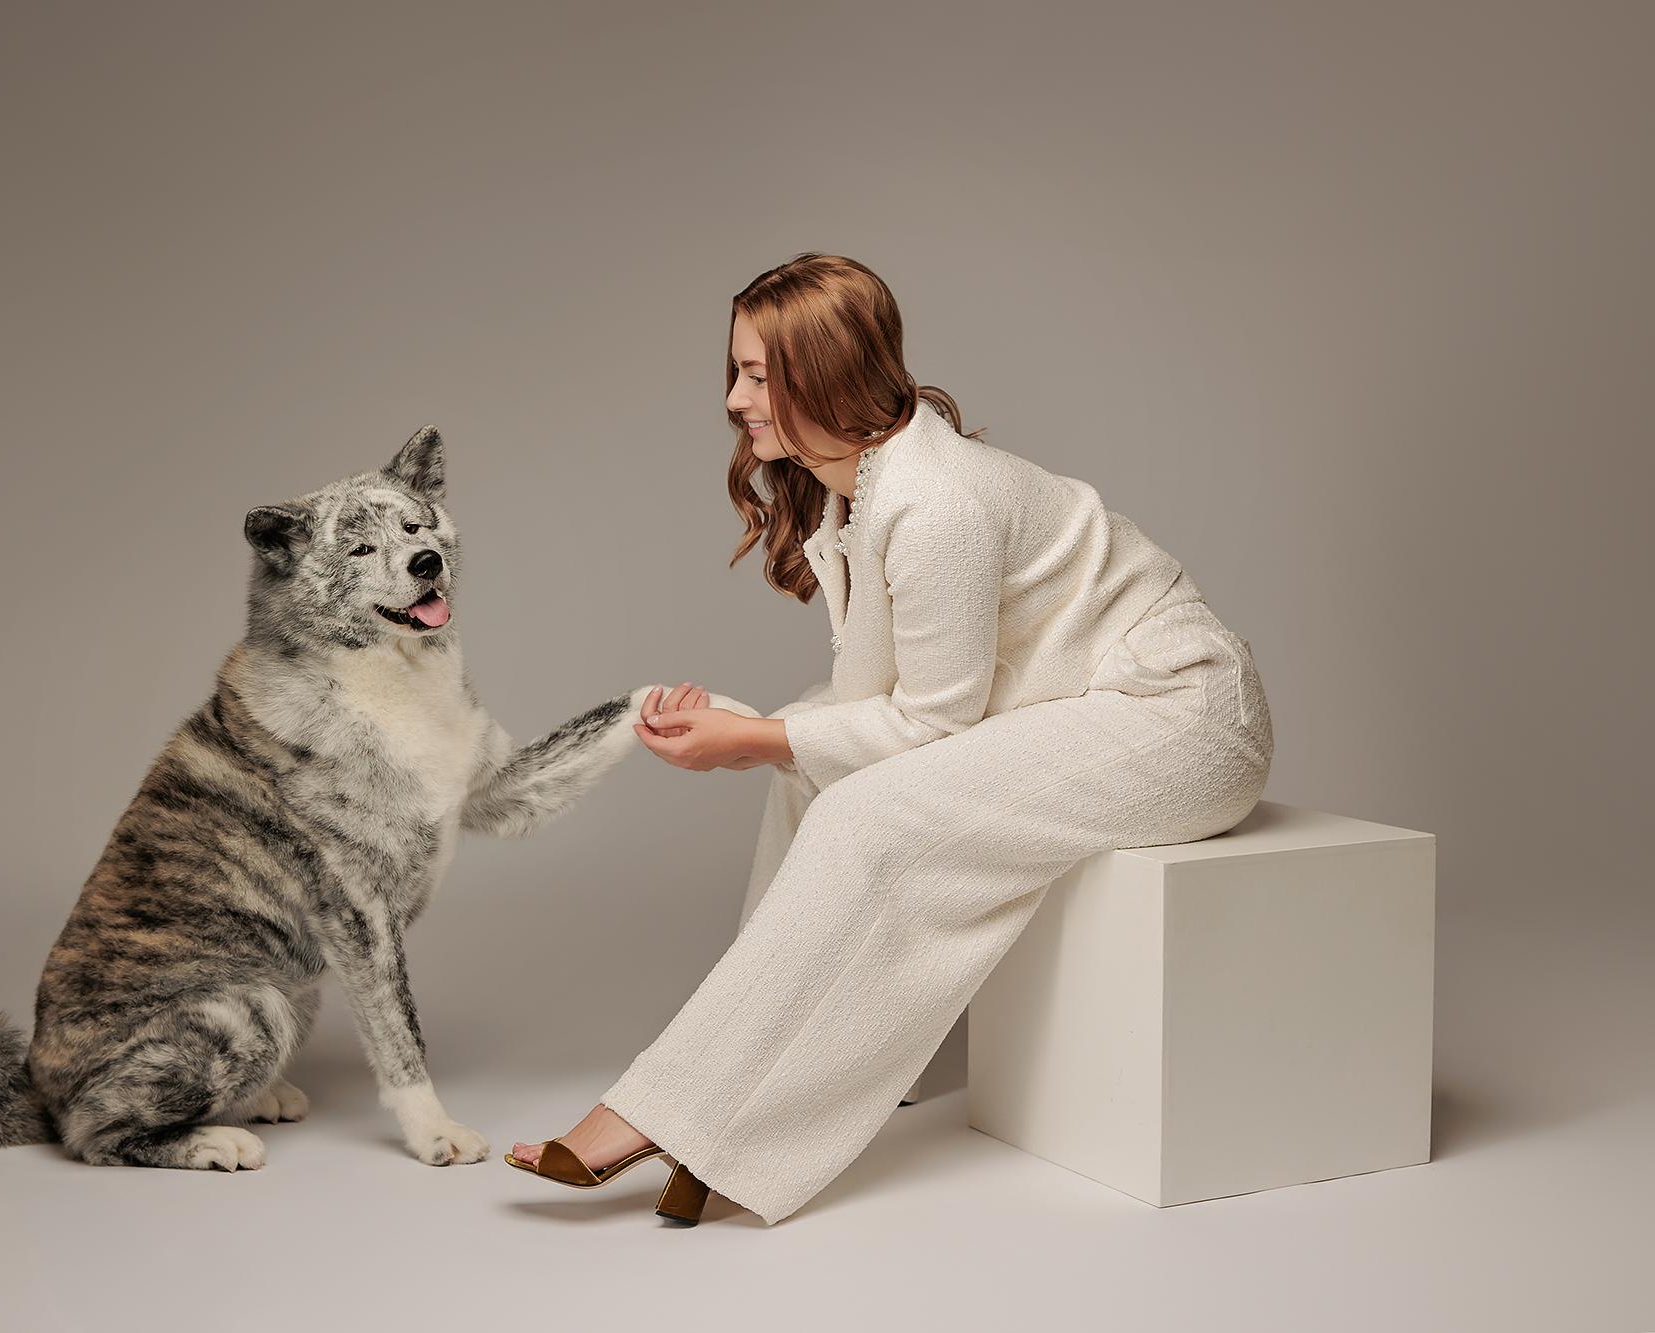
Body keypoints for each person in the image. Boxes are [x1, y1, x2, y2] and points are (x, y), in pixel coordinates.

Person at [505, 252, 1274, 1226]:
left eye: (755, 374)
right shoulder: (859, 487)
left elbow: (930, 722)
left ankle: (658, 1111)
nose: (734, 399)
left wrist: (754, 738)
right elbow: (870, 696)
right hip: (1087, 701)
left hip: (1180, 717)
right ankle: (733, 1111)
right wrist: (757, 733)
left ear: (820, 377)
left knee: (859, 805)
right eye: (733, 370)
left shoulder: (933, 501)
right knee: (811, 778)